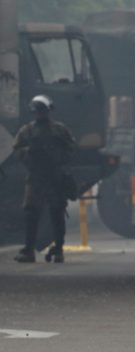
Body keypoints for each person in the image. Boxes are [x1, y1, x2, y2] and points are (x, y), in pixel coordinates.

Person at [12, 95, 76, 263]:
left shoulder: (59, 130)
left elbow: (71, 149)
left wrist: (58, 159)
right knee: (31, 213)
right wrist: (28, 154)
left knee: (56, 213)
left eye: (43, 111)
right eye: (38, 111)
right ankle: (29, 250)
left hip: (54, 176)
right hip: (37, 176)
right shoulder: (28, 131)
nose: (40, 114)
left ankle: (58, 249)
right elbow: (17, 151)